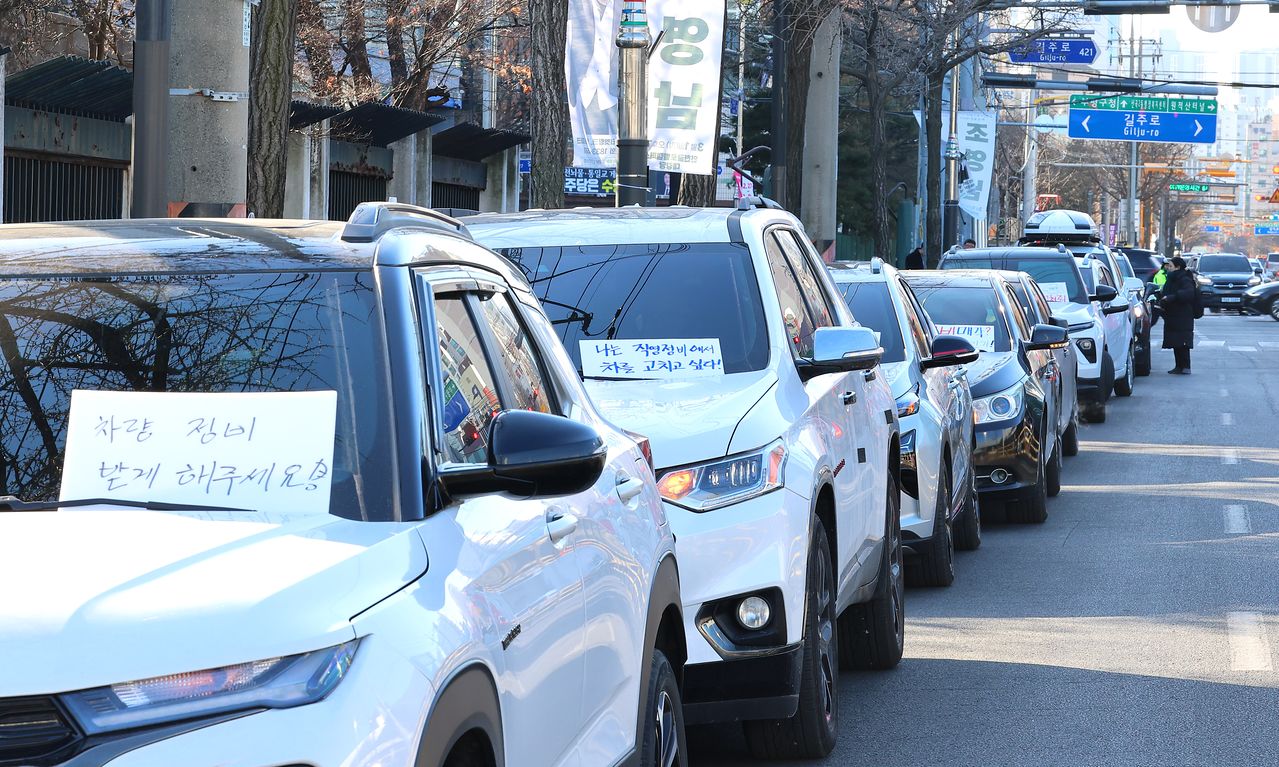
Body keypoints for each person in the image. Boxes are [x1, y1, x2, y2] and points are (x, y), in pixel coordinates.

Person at [1160, 256, 1196, 375]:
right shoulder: (1172, 278)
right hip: (1172, 314)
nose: (1168, 268)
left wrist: (1173, 297)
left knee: (1183, 342)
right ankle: (1178, 366)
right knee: (1175, 341)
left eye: (1170, 266)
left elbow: (1188, 293)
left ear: (1178, 267)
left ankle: (1185, 366)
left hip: (1183, 315)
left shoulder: (1184, 278)